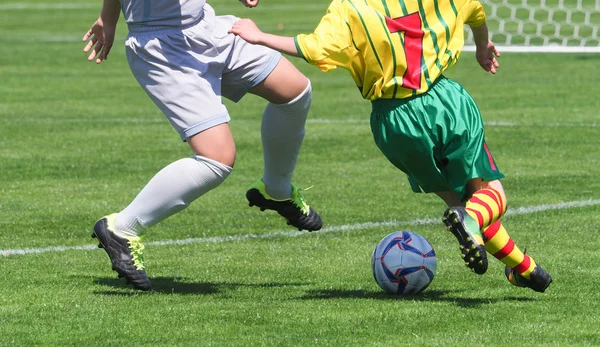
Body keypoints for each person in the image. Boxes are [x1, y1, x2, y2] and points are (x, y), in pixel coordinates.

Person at [229, 0, 552, 292]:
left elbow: (314, 48)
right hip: (443, 105)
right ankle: (471, 223)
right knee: (489, 197)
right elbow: (476, 12)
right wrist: (483, 47)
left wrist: (260, 36)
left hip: (394, 123)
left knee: (466, 202)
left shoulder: (349, 8)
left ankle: (526, 269)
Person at [82, 0, 322, 291]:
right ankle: (122, 228)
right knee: (217, 158)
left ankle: (277, 190)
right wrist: (108, 18)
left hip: (205, 27)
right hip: (163, 46)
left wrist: (107, 18)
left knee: (294, 91)